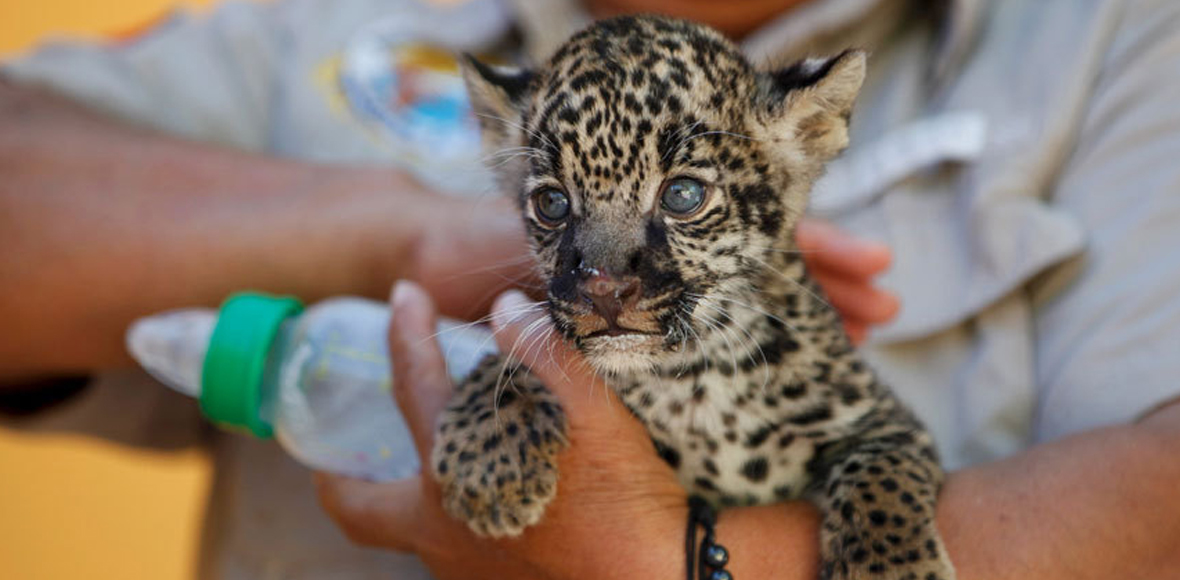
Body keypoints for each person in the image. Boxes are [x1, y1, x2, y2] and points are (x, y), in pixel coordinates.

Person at [2, 0, 1179, 578]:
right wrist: (409, 237)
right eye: (554, 206)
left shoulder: (1099, 34)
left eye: (683, 203)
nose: (605, 278)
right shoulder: (340, 16)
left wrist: (684, 560)